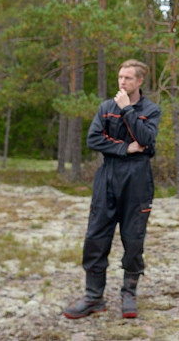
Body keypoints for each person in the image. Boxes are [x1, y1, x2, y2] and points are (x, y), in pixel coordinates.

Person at [63, 59, 161, 320]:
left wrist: (128, 110)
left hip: (138, 181)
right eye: (120, 77)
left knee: (133, 241)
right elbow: (93, 139)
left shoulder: (150, 110)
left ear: (140, 81)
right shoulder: (106, 107)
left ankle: (129, 294)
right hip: (107, 178)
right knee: (95, 238)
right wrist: (123, 147)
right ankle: (94, 297)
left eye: (128, 78)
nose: (122, 82)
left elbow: (147, 140)